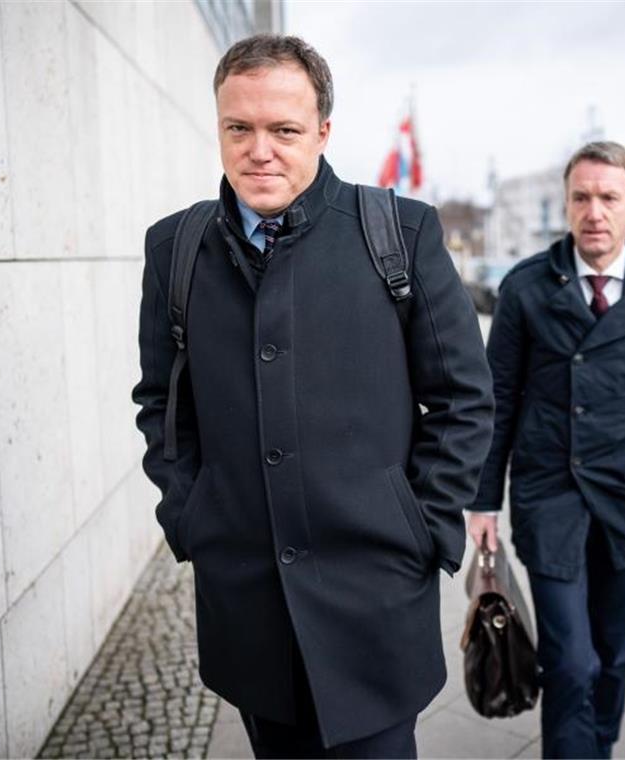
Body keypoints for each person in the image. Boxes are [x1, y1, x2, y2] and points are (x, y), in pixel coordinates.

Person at [131, 34, 493, 758]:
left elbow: (463, 399)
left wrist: (419, 528)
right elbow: (162, 405)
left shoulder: (400, 231)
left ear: (323, 131)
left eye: (284, 130)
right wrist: (193, 514)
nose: (259, 150)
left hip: (375, 600)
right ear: (220, 126)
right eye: (240, 127)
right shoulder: (175, 248)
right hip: (247, 602)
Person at [467, 141, 625, 758]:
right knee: (571, 661)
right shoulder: (527, 287)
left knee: (610, 653)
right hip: (551, 493)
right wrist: (482, 502)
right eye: (582, 197)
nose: (595, 211)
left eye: (609, 197)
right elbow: (495, 399)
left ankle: (596, 748)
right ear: (566, 205)